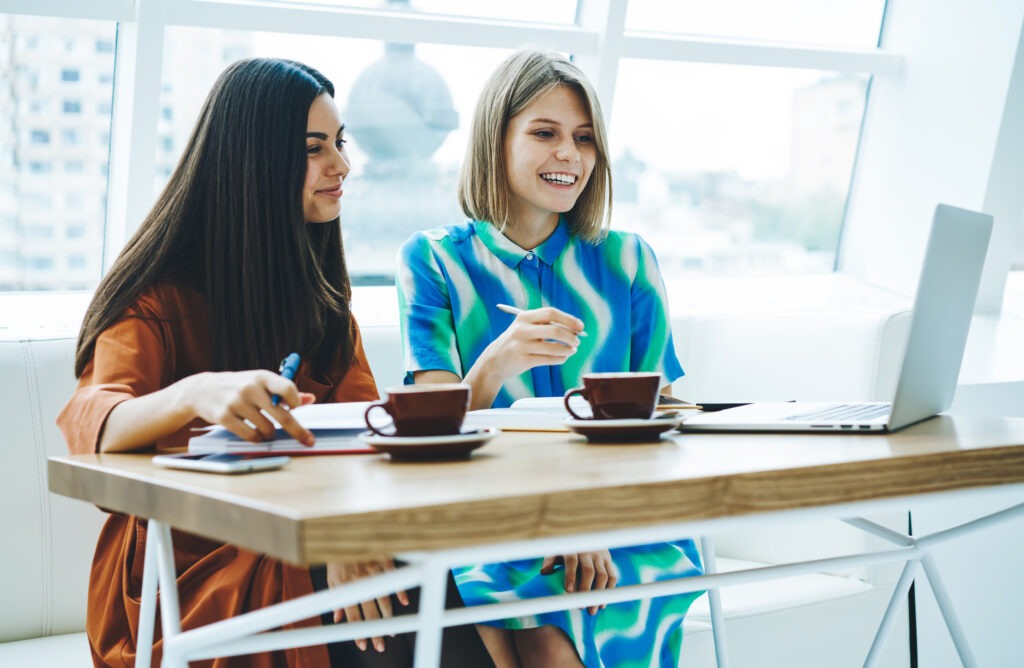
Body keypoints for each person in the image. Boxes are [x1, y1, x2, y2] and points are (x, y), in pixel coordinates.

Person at [57, 58, 490, 668]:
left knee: (434, 589)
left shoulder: (323, 306)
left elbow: (368, 438)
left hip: (306, 534)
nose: (342, 165)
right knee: (393, 608)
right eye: (315, 148)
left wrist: (345, 532)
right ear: (253, 161)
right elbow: (89, 427)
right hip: (187, 576)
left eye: (340, 143)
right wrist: (195, 393)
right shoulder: (156, 298)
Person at [396, 49, 704, 667]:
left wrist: (582, 521)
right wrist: (494, 365)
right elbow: (424, 430)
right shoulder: (431, 259)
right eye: (545, 133)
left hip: (618, 518)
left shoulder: (629, 262)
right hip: (488, 517)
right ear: (495, 139)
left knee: (548, 641)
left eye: (584, 139)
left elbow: (659, 422)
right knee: (478, 640)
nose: (570, 154)